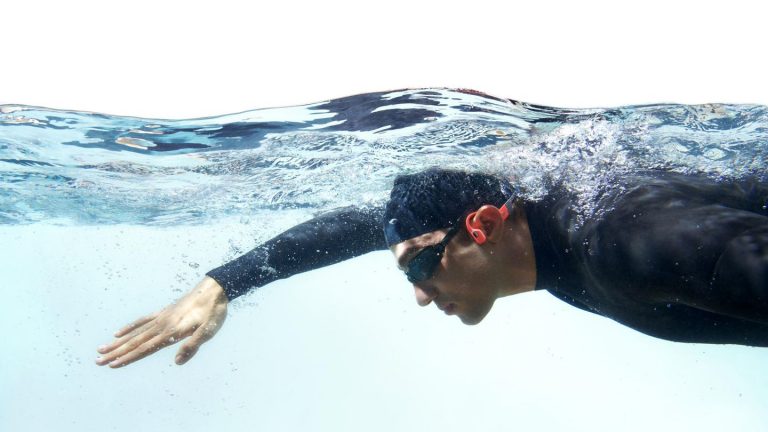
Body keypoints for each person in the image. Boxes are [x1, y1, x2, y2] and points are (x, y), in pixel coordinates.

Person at [96, 168, 768, 368]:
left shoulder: (622, 243)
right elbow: (365, 227)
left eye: (417, 273)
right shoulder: (552, 234)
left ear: (482, 225)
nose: (420, 297)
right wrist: (225, 282)